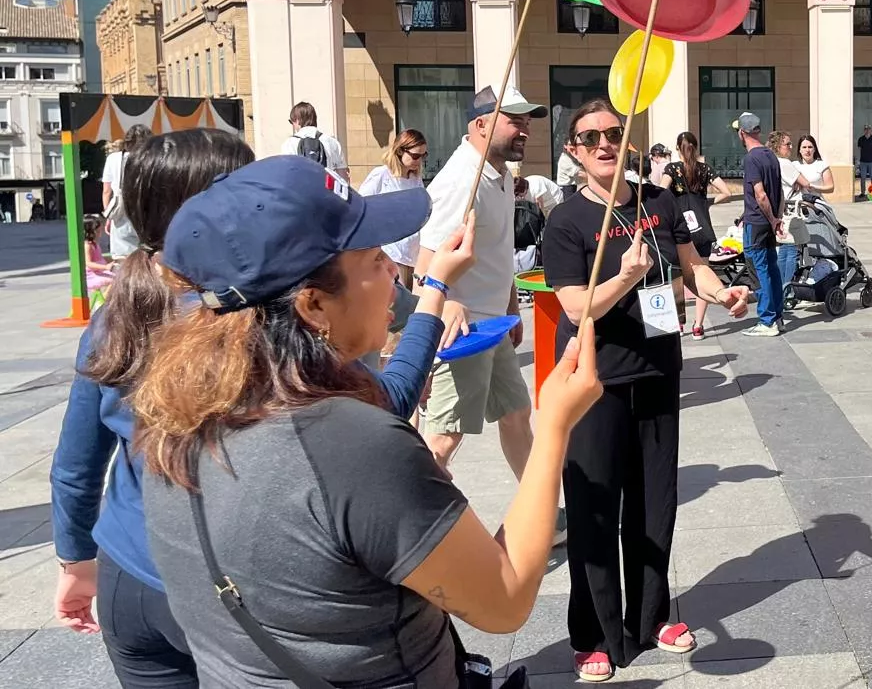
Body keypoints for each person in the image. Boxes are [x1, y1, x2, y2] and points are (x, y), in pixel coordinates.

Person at [131, 154, 602, 687]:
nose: (391, 276)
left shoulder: (172, 416)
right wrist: (556, 424)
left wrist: (435, 293)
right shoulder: (352, 444)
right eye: (376, 260)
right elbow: (505, 600)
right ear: (313, 306)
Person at [540, 100, 749, 681]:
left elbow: (690, 263)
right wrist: (627, 276)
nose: (605, 143)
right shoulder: (566, 221)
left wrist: (718, 290)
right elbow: (577, 306)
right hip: (595, 380)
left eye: (613, 133)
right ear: (573, 152)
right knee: (595, 508)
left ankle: (652, 615)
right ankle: (594, 633)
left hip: (659, 369)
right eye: (590, 138)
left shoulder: (659, 201)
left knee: (655, 502)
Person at [51, 129, 254, 689]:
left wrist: (76, 563)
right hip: (224, 589)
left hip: (127, 579)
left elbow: (74, 465)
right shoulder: (251, 319)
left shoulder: (114, 316)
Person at [415, 85, 548, 476]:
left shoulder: (500, 176)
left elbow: (497, 249)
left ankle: (538, 512)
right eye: (514, 122)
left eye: (526, 123)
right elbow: (425, 262)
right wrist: (446, 304)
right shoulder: (461, 180)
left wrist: (511, 308)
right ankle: (412, 528)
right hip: (462, 329)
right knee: (443, 438)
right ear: (480, 125)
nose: (524, 131)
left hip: (493, 323)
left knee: (516, 413)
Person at [658, 131, 732, 340]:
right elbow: (726, 192)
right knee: (703, 274)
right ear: (696, 148)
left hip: (679, 229)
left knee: (676, 276)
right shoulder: (705, 169)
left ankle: (679, 323)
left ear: (677, 149)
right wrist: (705, 203)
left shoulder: (672, 169)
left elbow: (661, 194)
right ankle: (698, 325)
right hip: (703, 229)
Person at [735, 112, 786, 337]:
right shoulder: (771, 156)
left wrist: (772, 218)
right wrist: (777, 218)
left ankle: (767, 321)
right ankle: (778, 315)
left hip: (756, 223)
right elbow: (781, 192)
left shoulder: (751, 158)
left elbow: (760, 194)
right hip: (768, 221)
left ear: (742, 133)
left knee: (759, 269)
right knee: (772, 268)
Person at [359, 128, 428, 286]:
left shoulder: (415, 178)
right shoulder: (381, 175)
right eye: (416, 156)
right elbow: (362, 206)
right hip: (391, 252)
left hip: (413, 253)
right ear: (400, 151)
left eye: (423, 156)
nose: (419, 161)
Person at [769, 130, 813, 293]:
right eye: (787, 144)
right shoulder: (784, 163)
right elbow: (805, 183)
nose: (790, 147)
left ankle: (780, 287)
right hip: (791, 210)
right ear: (778, 146)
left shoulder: (771, 161)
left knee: (784, 249)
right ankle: (787, 288)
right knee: (792, 250)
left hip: (780, 209)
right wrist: (800, 183)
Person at [101, 125, 151, 258]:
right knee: (146, 255)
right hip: (144, 208)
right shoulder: (150, 158)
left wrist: (109, 216)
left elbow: (106, 191)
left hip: (120, 210)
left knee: (122, 257)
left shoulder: (113, 159)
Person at [278, 101, 348, 179]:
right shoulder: (332, 142)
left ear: (297, 120)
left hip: (302, 189)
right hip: (325, 189)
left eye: (292, 122)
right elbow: (343, 175)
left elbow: (287, 174)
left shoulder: (289, 144)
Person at [83, 214, 115, 311]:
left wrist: (114, 260)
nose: (100, 233)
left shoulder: (95, 244)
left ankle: (106, 300)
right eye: (98, 231)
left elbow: (101, 258)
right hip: (92, 275)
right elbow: (88, 263)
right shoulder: (88, 246)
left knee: (120, 276)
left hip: (99, 272)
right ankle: (102, 301)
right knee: (115, 280)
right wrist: (106, 267)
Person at [855, 124, 872, 198]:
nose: (867, 130)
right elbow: (858, 150)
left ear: (870, 130)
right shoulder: (861, 139)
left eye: (868, 129)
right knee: (863, 178)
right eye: (866, 129)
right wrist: (858, 160)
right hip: (863, 161)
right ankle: (862, 192)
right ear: (864, 130)